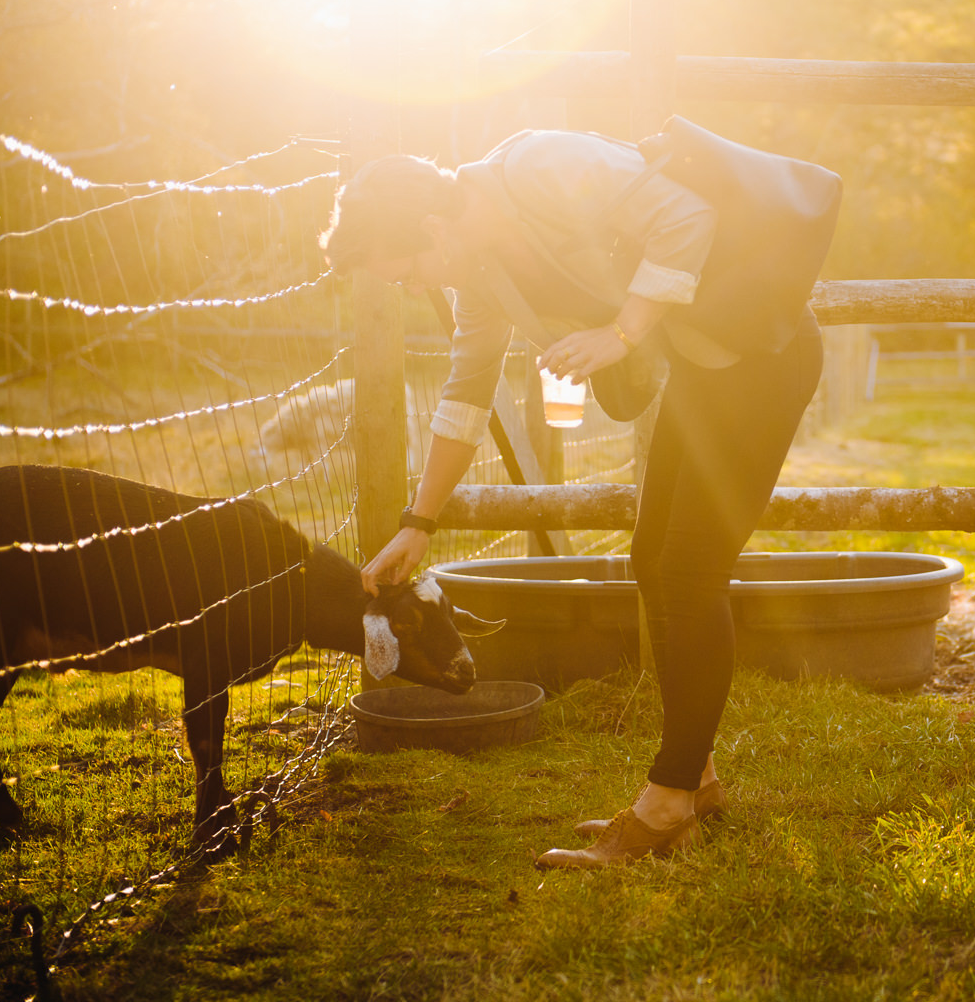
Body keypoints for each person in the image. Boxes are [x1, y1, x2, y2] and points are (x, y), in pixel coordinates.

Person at [320, 130, 824, 867]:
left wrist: (621, 334)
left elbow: (688, 219)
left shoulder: (543, 165)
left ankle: (666, 801)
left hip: (763, 354)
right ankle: (698, 777)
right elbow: (465, 395)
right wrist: (417, 524)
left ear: (433, 229)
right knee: (652, 561)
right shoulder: (482, 279)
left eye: (409, 274)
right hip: (705, 373)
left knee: (689, 571)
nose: (417, 287)